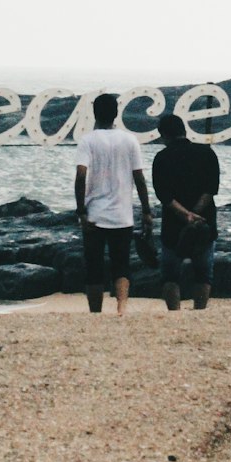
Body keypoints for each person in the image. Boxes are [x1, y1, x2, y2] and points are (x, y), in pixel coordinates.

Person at [74, 93, 152, 316]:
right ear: (116, 113)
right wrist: (146, 210)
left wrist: (80, 210)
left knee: (94, 266)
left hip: (95, 215)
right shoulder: (129, 140)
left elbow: (81, 175)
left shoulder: (87, 140)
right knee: (122, 264)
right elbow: (139, 178)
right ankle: (121, 309)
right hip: (122, 215)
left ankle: (95, 312)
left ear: (94, 114)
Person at [152, 113, 220, 310]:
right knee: (203, 274)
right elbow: (211, 189)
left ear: (164, 135)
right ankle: (199, 313)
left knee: (170, 275)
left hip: (173, 224)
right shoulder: (207, 153)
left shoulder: (162, 158)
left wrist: (184, 215)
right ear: (184, 130)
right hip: (204, 221)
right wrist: (195, 213)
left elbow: (164, 195)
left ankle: (175, 314)